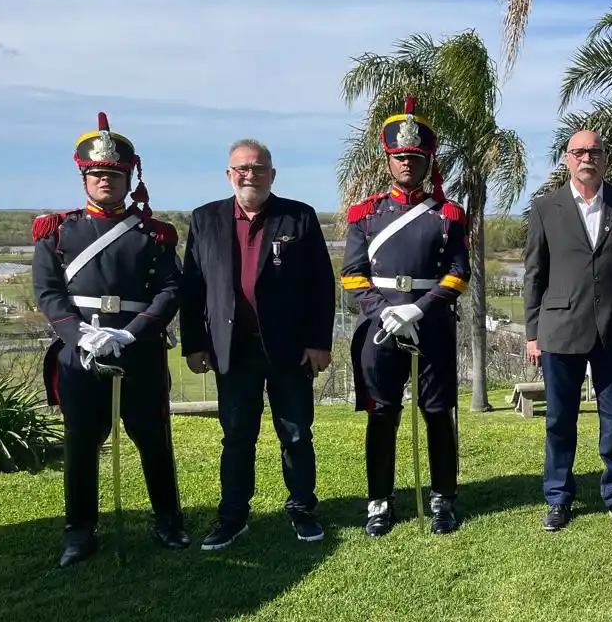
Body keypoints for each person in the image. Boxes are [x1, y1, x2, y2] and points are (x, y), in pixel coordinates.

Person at [32, 112, 187, 567]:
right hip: (79, 352)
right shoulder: (58, 231)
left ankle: (168, 520)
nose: (106, 181)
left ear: (129, 178)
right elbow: (48, 292)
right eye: (98, 173)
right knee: (81, 442)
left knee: (153, 437)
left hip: (139, 352)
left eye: (115, 174)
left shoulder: (154, 234)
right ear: (84, 177)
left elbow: (171, 290)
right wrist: (79, 334)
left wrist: (131, 333)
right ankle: (79, 531)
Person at [180, 138, 335, 550]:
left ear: (272, 174)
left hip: (289, 347)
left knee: (296, 434)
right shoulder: (205, 219)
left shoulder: (299, 217)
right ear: (229, 174)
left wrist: (319, 342)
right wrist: (193, 343)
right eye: (243, 168)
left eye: (259, 168)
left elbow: (321, 284)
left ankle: (302, 509)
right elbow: (193, 287)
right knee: (236, 437)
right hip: (231, 348)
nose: (251, 175)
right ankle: (232, 517)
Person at [341, 96, 469, 536]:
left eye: (414, 158)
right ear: (388, 161)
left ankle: (443, 498)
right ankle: (379, 500)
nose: (407, 164)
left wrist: (419, 307)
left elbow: (458, 273)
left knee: (437, 411)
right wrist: (385, 312)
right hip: (380, 327)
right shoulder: (365, 214)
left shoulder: (448, 215)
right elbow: (353, 274)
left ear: (427, 160)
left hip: (431, 325)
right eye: (400, 157)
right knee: (382, 413)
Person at [523, 129, 612, 532]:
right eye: (578, 152)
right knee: (559, 420)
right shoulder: (546, 208)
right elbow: (534, 274)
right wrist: (532, 334)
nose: (586, 158)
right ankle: (558, 497)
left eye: (594, 152)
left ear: (605, 159)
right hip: (560, 330)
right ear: (567, 159)